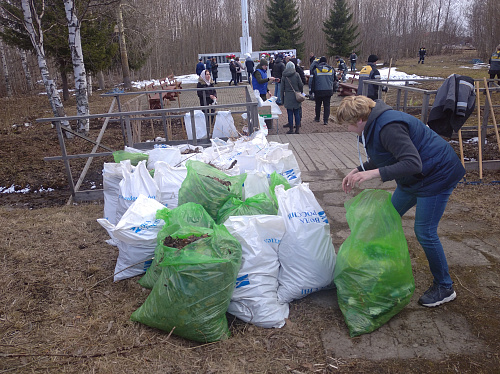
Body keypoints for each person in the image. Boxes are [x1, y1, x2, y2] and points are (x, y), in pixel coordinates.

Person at [336, 95, 466, 308]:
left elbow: (413, 163)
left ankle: (444, 286)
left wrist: (372, 174)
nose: (348, 129)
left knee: (425, 232)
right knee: (386, 216)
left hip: (436, 176)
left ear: (360, 119)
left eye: (349, 125)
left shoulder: (389, 126)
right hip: (415, 179)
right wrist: (360, 169)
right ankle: (379, 265)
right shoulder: (374, 124)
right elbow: (386, 153)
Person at [280, 61, 304, 134]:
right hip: (296, 96)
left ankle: (291, 129)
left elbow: (281, 89)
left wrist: (282, 99)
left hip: (288, 96)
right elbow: (301, 85)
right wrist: (300, 92)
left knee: (289, 113)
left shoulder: (284, 76)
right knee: (297, 113)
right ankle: (297, 129)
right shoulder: (296, 75)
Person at [253, 58, 277, 129]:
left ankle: (266, 125)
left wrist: (268, 91)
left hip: (263, 92)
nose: (266, 67)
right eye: (265, 66)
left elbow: (264, 83)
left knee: (264, 108)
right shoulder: (257, 72)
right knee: (262, 108)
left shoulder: (264, 72)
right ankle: (262, 125)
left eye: (266, 66)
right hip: (258, 93)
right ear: (262, 65)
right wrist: (269, 79)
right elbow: (260, 81)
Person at [312, 56, 335, 125]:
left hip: (318, 90)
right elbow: (334, 80)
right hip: (328, 90)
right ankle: (325, 120)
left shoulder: (316, 70)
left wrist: (312, 91)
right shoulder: (331, 70)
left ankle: (317, 118)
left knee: (318, 105)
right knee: (327, 105)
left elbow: (313, 82)